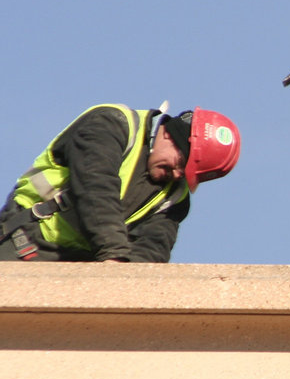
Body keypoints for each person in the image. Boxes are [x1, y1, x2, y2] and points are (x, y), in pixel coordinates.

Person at [0, 102, 240, 262]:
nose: (178, 175)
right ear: (169, 134)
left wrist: (123, 284)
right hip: (23, 244)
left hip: (78, 268)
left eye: (188, 174)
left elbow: (153, 249)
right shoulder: (111, 124)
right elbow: (97, 189)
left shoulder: (174, 196)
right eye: (181, 164)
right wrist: (115, 255)